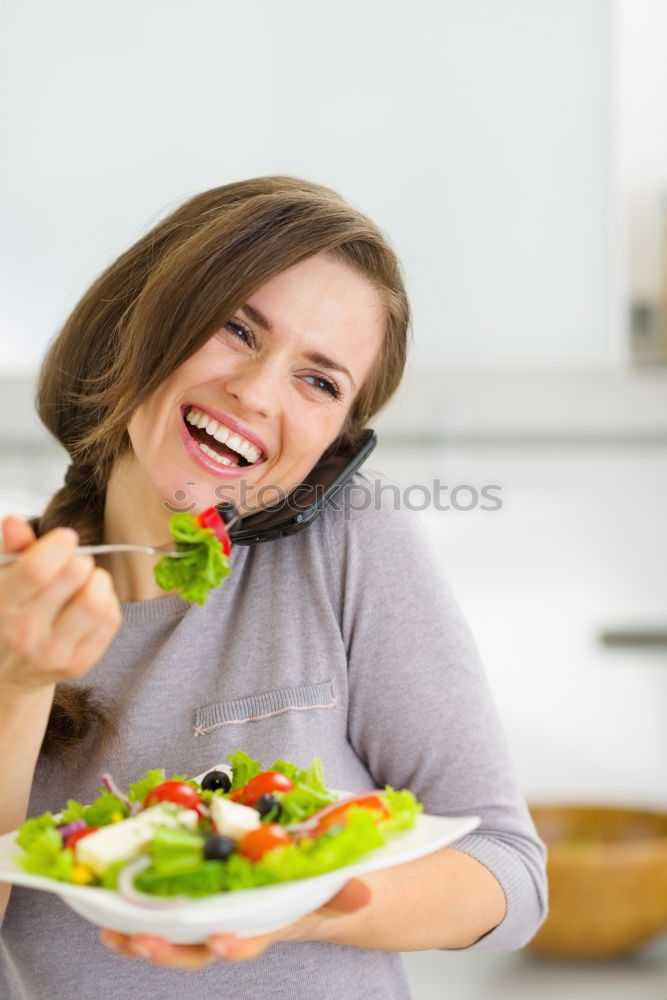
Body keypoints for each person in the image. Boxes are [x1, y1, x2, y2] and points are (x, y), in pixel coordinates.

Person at [0, 176, 547, 1000]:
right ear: (138, 321)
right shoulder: (15, 605)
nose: (254, 394)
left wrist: (314, 906)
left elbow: (509, 875)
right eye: (235, 328)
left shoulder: (350, 546)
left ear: (333, 446)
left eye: (320, 381)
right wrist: (17, 685)